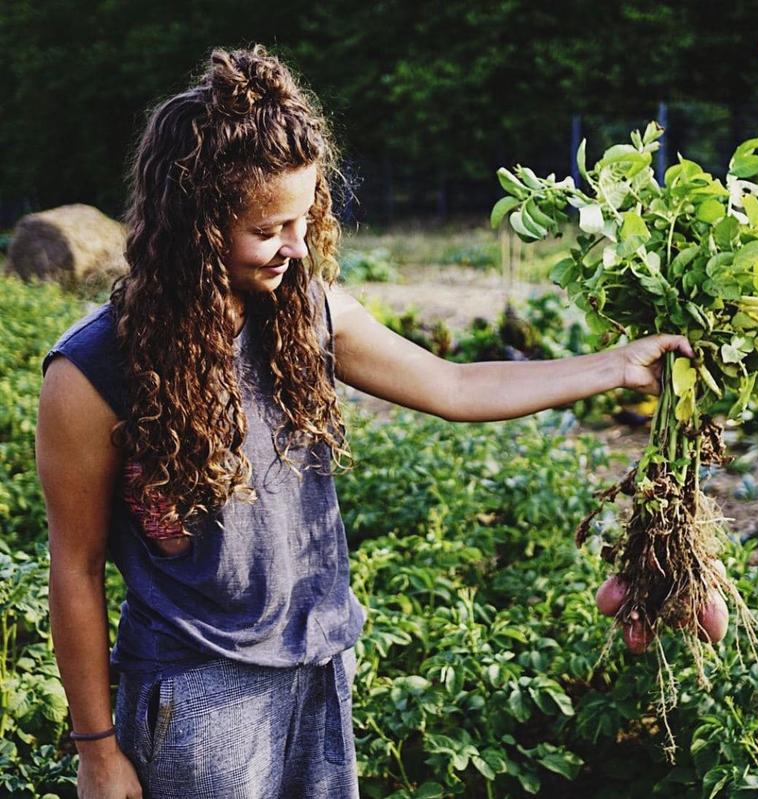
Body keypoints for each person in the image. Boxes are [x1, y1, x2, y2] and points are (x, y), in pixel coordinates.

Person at [35, 44, 694, 799]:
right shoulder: (91, 374)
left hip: (319, 666)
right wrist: (96, 748)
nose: (295, 246)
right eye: (269, 228)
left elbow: (455, 384)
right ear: (195, 223)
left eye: (303, 218)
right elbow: (75, 569)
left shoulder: (304, 313)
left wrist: (614, 364)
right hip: (200, 695)